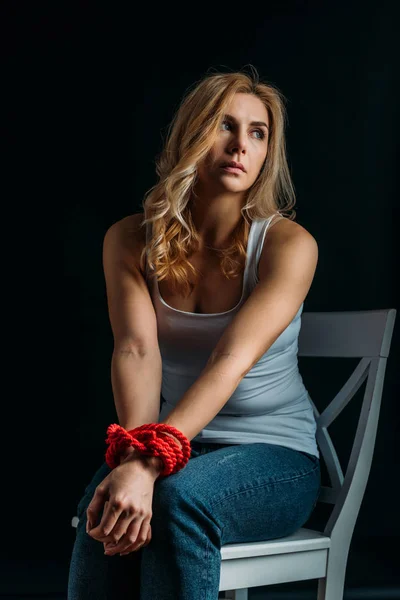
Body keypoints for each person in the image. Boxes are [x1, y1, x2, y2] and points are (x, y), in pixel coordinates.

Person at [67, 66, 321, 600]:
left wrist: (150, 463)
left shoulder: (288, 246)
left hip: (278, 460)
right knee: (105, 494)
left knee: (177, 498)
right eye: (223, 125)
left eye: (257, 132)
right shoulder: (130, 239)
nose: (240, 145)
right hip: (183, 448)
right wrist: (134, 463)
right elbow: (135, 350)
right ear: (192, 134)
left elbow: (230, 361)